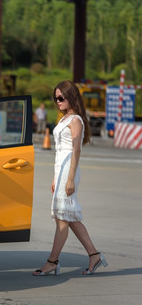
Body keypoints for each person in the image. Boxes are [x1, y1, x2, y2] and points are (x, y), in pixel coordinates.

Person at [33, 80, 107, 276]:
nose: (57, 101)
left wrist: (70, 178)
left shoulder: (75, 121)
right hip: (61, 171)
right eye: (55, 98)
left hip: (70, 171)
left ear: (71, 97)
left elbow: (75, 151)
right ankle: (94, 255)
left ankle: (52, 262)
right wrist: (55, 177)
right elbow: (59, 152)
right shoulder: (64, 119)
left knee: (62, 219)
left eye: (61, 97)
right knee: (68, 217)